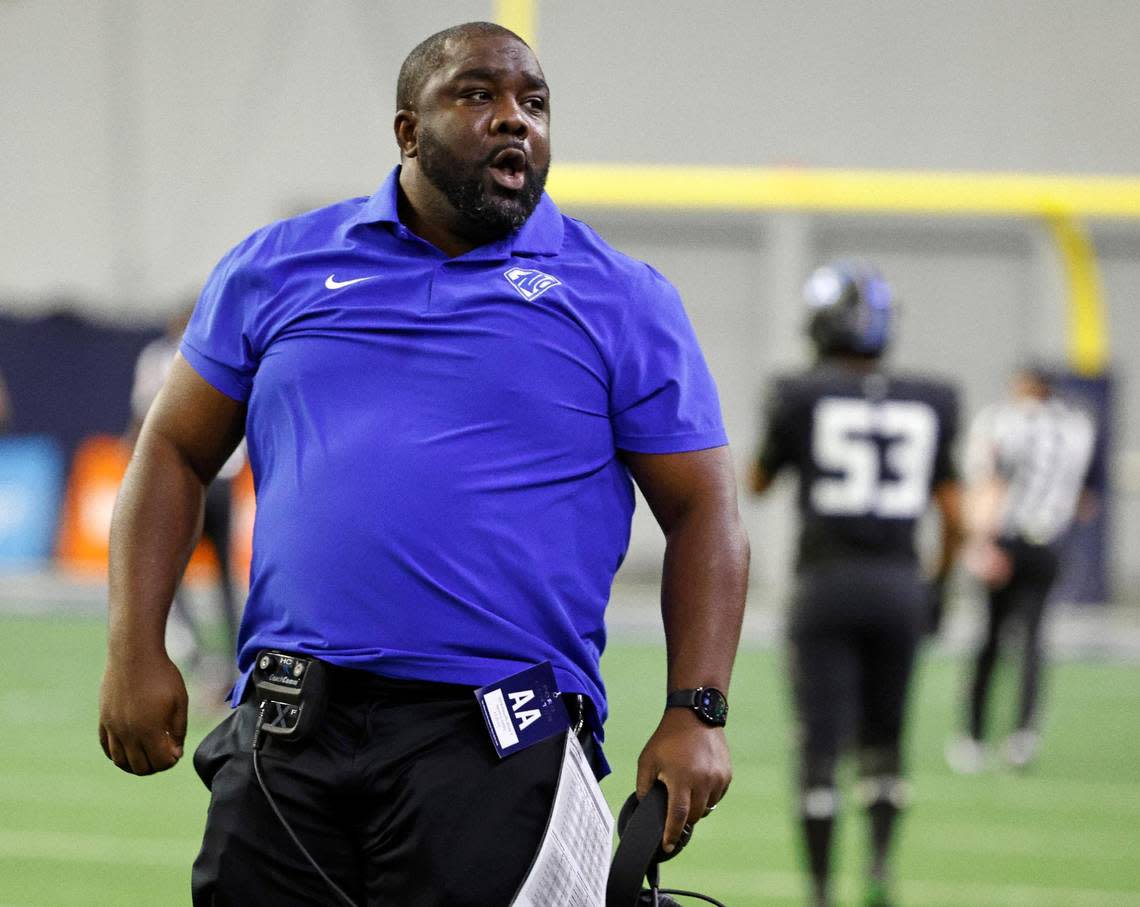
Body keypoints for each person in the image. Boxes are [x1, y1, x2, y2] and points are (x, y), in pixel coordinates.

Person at [97, 21, 749, 907]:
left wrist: (696, 709)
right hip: (291, 727)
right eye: (479, 95)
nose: (514, 120)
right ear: (408, 130)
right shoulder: (277, 267)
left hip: (498, 739)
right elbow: (172, 448)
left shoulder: (618, 295)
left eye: (535, 103)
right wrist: (135, 647)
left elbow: (706, 508)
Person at [750, 261, 962, 907]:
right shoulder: (933, 396)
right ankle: (877, 865)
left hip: (826, 582)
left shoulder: (799, 392)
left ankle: (818, 891)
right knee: (885, 739)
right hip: (900, 580)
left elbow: (757, 482)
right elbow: (957, 515)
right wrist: (938, 587)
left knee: (819, 744)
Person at [946, 365, 1096, 774]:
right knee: (1032, 641)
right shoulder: (1078, 427)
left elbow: (989, 482)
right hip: (1048, 543)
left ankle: (973, 736)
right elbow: (1086, 499)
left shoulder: (1000, 421)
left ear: (1027, 387)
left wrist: (980, 543)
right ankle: (1022, 737)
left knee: (990, 640)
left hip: (1004, 540)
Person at [128, 305, 246, 690]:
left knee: (168, 570)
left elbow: (146, 420)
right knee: (223, 575)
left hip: (184, 476)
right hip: (222, 475)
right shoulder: (232, 352)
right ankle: (230, 659)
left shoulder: (160, 356)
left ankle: (198, 656)